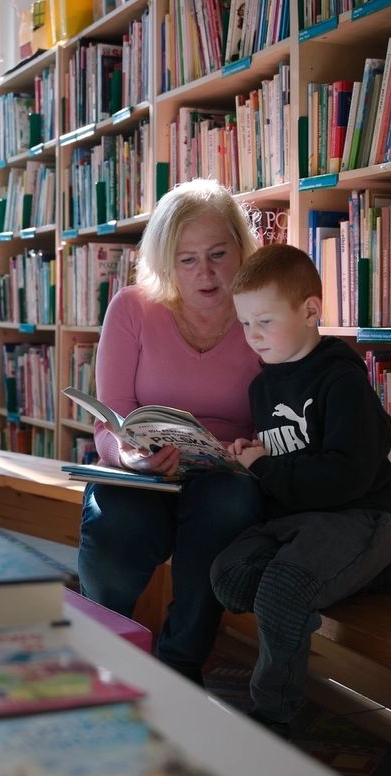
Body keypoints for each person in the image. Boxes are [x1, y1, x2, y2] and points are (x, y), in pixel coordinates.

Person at [212, 243, 391, 737]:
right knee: (228, 576)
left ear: (311, 311)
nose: (252, 335)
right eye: (244, 323)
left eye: (264, 321)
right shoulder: (264, 387)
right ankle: (376, 571)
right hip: (294, 521)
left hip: (353, 516)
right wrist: (254, 457)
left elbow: (346, 477)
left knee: (283, 593)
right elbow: (286, 459)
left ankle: (274, 713)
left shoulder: (341, 382)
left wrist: (267, 468)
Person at [77, 178, 266, 686]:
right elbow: (111, 417)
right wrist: (129, 456)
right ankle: (105, 655)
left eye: (218, 254)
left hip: (227, 473)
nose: (205, 273)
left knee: (229, 506)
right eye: (187, 260)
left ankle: (181, 664)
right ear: (165, 261)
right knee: (117, 524)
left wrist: (253, 448)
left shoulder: (262, 311)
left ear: (241, 248)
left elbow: (281, 410)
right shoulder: (133, 308)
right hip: (144, 468)